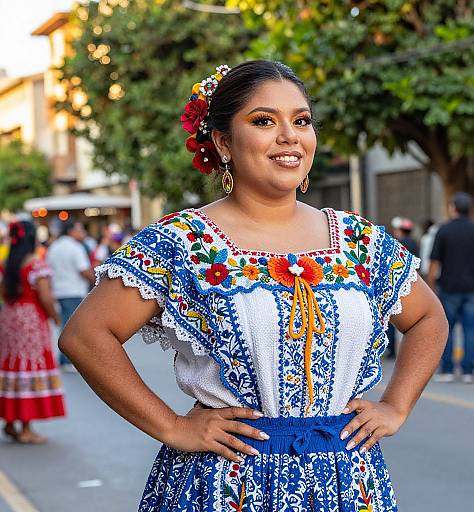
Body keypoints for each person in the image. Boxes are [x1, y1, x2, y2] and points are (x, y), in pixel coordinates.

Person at [59, 60, 448, 511]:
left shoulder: (360, 242)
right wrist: (172, 426)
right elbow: (85, 335)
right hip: (227, 483)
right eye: (264, 121)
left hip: (348, 482)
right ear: (223, 141)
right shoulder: (182, 243)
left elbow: (426, 317)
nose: (289, 136)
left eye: (301, 121)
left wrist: (396, 406)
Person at [0, 221, 65, 443]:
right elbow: (45, 297)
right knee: (29, 366)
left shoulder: (7, 264)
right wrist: (56, 318)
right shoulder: (36, 265)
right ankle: (26, 428)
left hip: (9, 318)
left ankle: (10, 421)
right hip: (30, 321)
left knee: (12, 366)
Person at [428, 192, 474, 383]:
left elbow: (434, 262)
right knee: (470, 329)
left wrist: (430, 287)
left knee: (447, 328)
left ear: (453, 208)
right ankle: (468, 371)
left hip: (449, 287)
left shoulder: (444, 230)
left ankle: (447, 369)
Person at [46, 220, 94, 371]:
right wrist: (96, 280)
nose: (82, 233)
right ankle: (67, 359)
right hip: (74, 290)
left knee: (66, 324)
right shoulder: (75, 247)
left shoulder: (54, 246)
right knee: (72, 327)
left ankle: (65, 358)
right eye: (79, 229)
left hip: (59, 290)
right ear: (71, 231)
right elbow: (83, 270)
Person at [386, 218, 420, 358]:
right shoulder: (415, 243)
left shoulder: (397, 244)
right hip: (413, 285)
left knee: (392, 317)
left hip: (397, 284)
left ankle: (392, 349)